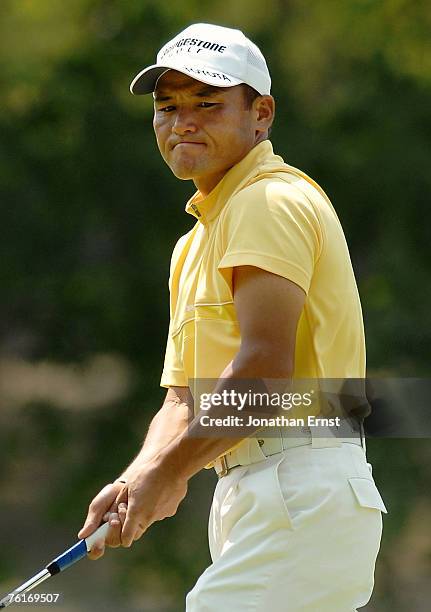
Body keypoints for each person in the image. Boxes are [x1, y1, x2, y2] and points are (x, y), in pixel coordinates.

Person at [78, 23, 387, 611]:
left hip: (302, 483)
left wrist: (167, 474)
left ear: (261, 114)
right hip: (253, 494)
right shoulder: (195, 242)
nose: (183, 122)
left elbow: (267, 371)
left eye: (208, 104)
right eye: (167, 107)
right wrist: (135, 479)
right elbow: (183, 399)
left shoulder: (268, 201)